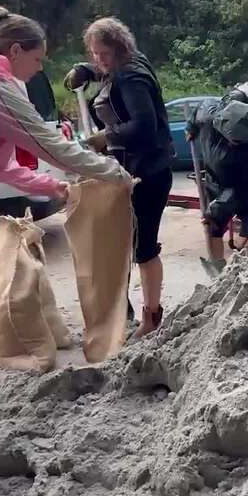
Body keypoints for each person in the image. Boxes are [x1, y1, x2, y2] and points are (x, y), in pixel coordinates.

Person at [0, 7, 132, 426]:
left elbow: (5, 166)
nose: (40, 66)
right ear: (14, 51)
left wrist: (54, 187)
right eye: (37, 58)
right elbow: (51, 144)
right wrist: (113, 172)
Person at [64, 18, 173, 338]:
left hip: (149, 173)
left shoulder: (132, 77)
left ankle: (151, 316)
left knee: (144, 247)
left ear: (119, 48)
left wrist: (105, 138)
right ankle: (119, 313)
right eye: (93, 53)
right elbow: (106, 69)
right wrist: (86, 69)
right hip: (130, 170)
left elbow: (144, 126)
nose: (99, 59)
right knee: (122, 244)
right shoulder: (129, 60)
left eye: (103, 54)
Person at [192, 99, 248, 274]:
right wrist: (191, 127)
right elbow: (200, 107)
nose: (238, 143)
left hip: (243, 187)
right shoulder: (208, 116)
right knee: (214, 227)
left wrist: (216, 208)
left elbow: (239, 190)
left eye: (242, 140)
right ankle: (218, 271)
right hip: (214, 181)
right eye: (235, 139)